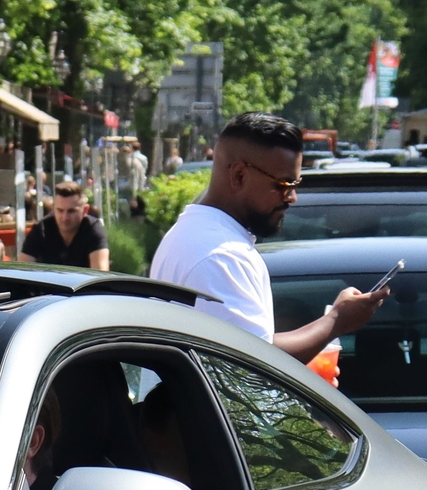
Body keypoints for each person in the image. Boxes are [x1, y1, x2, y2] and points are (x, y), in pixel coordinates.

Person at [149, 112, 384, 364]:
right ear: (239, 175)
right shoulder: (221, 256)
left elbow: (247, 349)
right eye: (283, 184)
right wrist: (336, 321)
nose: (292, 197)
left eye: (296, 184)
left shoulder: (195, 233)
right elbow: (254, 365)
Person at [28, 178, 109, 270]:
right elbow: (22, 272)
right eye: (60, 210)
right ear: (53, 208)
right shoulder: (41, 229)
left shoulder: (93, 230)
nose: (65, 217)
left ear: (85, 210)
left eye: (71, 211)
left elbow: (100, 275)